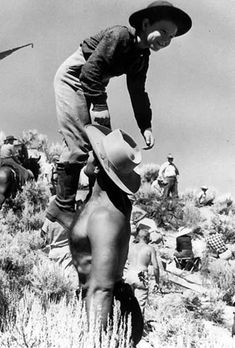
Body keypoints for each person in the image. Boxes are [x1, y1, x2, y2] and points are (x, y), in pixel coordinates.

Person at [45, 1, 192, 230]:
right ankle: (62, 207)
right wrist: (100, 104)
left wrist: (146, 126)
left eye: (171, 37)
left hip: (93, 86)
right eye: (163, 31)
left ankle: (91, 205)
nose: (166, 40)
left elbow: (137, 91)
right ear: (145, 23)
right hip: (75, 79)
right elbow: (89, 70)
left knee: (107, 148)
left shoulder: (142, 56)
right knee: (80, 144)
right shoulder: (120, 35)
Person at [69, 125, 143, 346]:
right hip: (104, 308)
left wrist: (95, 341)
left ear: (101, 168)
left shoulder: (104, 217)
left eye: (94, 154)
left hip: (108, 316)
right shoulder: (103, 203)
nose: (88, 155)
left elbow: (102, 288)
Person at [125, 227, 160, 315]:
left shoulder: (131, 247)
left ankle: (126, 325)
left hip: (129, 274)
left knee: (127, 303)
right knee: (139, 305)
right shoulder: (150, 249)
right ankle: (137, 326)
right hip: (141, 275)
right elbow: (156, 267)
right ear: (147, 238)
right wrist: (157, 282)